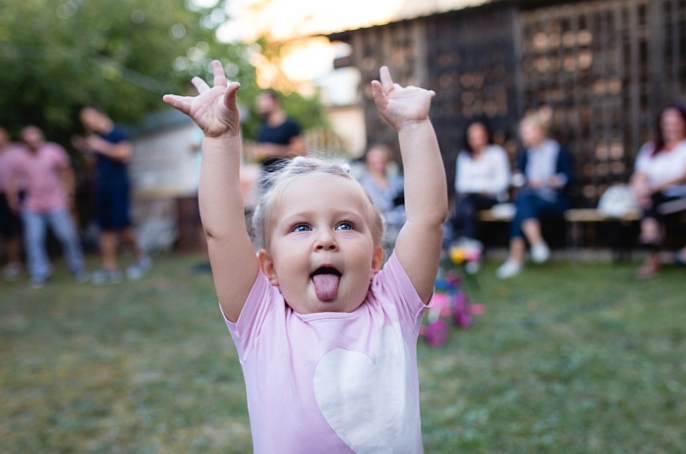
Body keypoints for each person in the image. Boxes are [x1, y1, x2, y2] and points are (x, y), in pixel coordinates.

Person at [162, 61, 447, 452]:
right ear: (270, 267)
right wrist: (219, 139)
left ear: (376, 260)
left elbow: (427, 220)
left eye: (346, 225)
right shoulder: (261, 318)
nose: (326, 239)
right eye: (301, 227)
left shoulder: (393, 305)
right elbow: (223, 230)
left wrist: (415, 128)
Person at [74, 105, 151, 284]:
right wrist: (86, 150)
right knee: (105, 227)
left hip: (118, 186)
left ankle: (141, 259)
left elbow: (124, 154)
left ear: (100, 114)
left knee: (123, 226)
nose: (87, 122)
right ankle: (110, 269)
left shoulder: (117, 132)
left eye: (89, 118)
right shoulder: (96, 138)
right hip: (102, 187)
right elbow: (91, 165)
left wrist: (99, 146)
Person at [496, 107, 574, 279]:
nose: (524, 136)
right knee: (523, 201)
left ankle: (517, 259)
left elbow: (569, 177)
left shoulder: (557, 151)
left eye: (527, 132)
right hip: (532, 202)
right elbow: (520, 178)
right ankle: (536, 244)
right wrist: (527, 181)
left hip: (553, 201)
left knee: (521, 205)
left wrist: (553, 181)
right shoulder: (526, 155)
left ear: (540, 131)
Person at [6, 126, 88, 288]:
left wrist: (69, 193)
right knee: (34, 240)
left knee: (67, 236)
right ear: (24, 143)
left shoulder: (53, 151)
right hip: (32, 205)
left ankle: (78, 268)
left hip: (56, 202)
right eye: (30, 141)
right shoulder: (20, 158)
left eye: (36, 139)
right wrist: (13, 199)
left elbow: (67, 172)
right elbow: (12, 180)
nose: (34, 143)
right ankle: (39, 273)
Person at [629, 103, 686, 278]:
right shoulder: (650, 149)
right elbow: (638, 176)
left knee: (653, 201)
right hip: (657, 198)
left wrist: (653, 187)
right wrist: (639, 190)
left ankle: (651, 242)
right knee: (651, 202)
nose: (671, 126)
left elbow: (683, 175)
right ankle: (651, 240)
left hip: (681, 196)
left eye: (675, 122)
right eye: (667, 122)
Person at [448, 119, 511, 245]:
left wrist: (481, 188)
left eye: (480, 136)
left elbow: (503, 182)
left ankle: (463, 239)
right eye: (473, 137)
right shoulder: (464, 157)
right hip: (470, 200)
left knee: (463, 204)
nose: (477, 140)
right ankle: (468, 241)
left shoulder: (497, 154)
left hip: (492, 198)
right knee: (466, 204)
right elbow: (461, 185)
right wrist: (479, 188)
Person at [356, 143, 406, 248]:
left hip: (400, 231)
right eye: (374, 157)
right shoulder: (363, 182)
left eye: (381, 157)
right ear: (368, 160)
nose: (378, 160)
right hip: (379, 231)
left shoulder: (395, 179)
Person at [253, 89, 306, 186]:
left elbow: (300, 152)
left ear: (276, 103)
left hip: (285, 180)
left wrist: (273, 151)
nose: (260, 104)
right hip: (266, 180)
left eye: (264, 100)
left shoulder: (290, 125)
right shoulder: (264, 127)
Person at [0, 126, 26, 280]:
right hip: (2, 196)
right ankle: (14, 262)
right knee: (8, 231)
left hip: (23, 193)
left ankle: (37, 260)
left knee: (28, 227)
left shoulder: (19, 151)